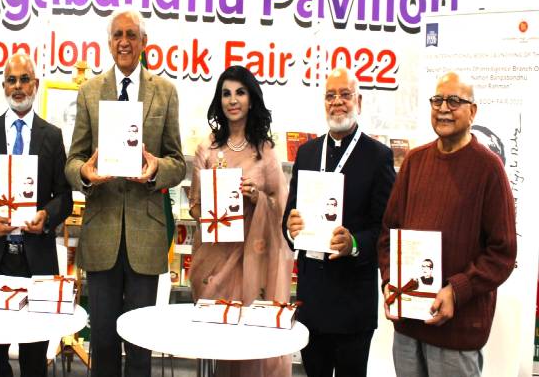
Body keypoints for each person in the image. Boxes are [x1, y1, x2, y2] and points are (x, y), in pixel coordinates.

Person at [65, 7, 186, 377]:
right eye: (117, 35)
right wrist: (85, 174)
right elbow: (73, 161)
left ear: (144, 42)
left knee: (139, 345)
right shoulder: (89, 92)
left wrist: (155, 170)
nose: (124, 42)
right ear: (108, 42)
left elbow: (178, 163)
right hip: (101, 233)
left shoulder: (165, 92)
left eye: (131, 35)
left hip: (145, 237)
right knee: (102, 342)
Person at [378, 72, 517, 376]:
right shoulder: (414, 162)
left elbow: (503, 252)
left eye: (454, 101)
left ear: (472, 111)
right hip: (408, 325)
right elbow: (388, 234)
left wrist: (457, 290)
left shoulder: (489, 169)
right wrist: (389, 280)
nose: (443, 108)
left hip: (457, 331)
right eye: (437, 100)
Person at [283, 67, 395, 377]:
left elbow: (385, 230)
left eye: (345, 95)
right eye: (330, 96)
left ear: (359, 101)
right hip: (311, 300)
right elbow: (288, 218)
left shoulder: (378, 157)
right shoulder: (307, 153)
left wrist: (355, 243)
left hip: (352, 304)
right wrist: (291, 229)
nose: (337, 102)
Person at [0, 53, 72, 377]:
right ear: (3, 86)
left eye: (24, 79)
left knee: (33, 358)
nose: (18, 86)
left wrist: (46, 216)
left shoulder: (51, 136)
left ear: (35, 84)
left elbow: (65, 197)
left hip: (36, 259)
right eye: (11, 80)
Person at [188, 65, 293, 376]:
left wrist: (256, 197)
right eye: (226, 94)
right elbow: (194, 207)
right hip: (213, 262)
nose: (232, 100)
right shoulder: (207, 149)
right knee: (218, 344)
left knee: (247, 344)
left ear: (251, 100)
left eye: (240, 93)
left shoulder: (265, 152)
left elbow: (280, 207)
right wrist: (215, 202)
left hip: (252, 262)